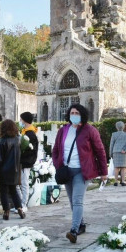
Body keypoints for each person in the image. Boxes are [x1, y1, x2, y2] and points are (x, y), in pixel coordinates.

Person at [52, 104, 108, 243]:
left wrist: (104, 172)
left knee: (77, 200)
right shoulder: (63, 130)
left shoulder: (90, 130)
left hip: (82, 171)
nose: (74, 115)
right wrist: (57, 164)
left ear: (82, 114)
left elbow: (100, 151)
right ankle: (81, 224)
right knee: (72, 201)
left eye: (77, 113)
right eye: (72, 112)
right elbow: (56, 150)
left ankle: (74, 230)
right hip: (66, 170)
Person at [0, 119, 26, 220]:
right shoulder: (19, 140)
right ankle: (20, 208)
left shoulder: (2, 141)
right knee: (13, 190)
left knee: (3, 191)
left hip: (4, 170)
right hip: (15, 170)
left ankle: (6, 211)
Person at [18, 112, 39, 210]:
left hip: (26, 161)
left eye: (21, 119)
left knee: (24, 183)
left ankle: (24, 204)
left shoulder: (30, 133)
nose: (20, 121)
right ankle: (20, 203)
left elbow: (31, 149)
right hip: (22, 161)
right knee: (20, 183)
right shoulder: (25, 131)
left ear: (25, 120)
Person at [109, 121, 126, 186]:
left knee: (116, 167)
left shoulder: (114, 134)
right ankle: (123, 181)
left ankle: (116, 181)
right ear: (123, 127)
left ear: (116, 127)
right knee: (123, 167)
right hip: (123, 153)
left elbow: (111, 144)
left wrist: (110, 153)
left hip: (115, 152)